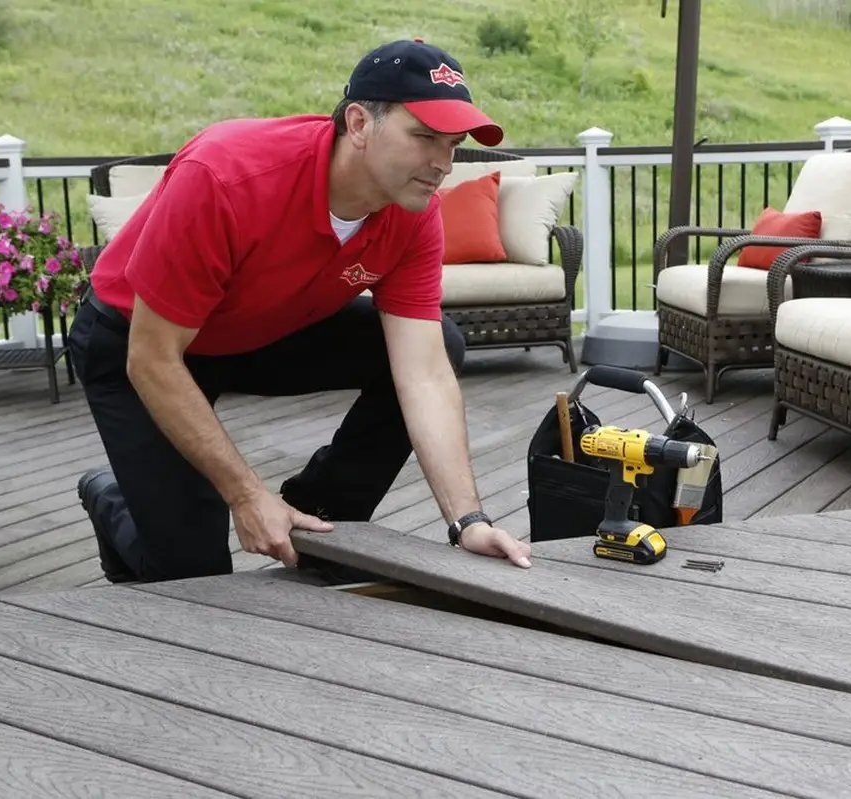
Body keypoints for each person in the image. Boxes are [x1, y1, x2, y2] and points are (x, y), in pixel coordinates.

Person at [69, 38, 532, 585]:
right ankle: (115, 500)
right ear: (359, 124)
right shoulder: (227, 175)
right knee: (192, 576)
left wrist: (467, 521)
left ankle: (320, 513)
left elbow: (425, 373)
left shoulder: (413, 211)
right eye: (424, 137)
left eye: (453, 143)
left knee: (442, 344)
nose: (443, 164)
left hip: (262, 330)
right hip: (139, 344)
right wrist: (246, 495)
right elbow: (151, 360)